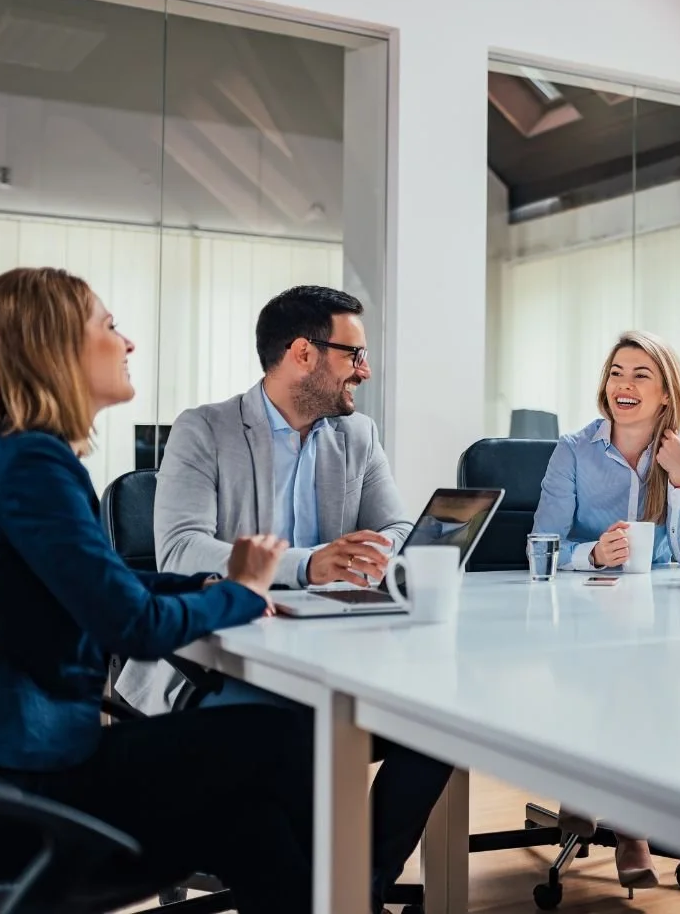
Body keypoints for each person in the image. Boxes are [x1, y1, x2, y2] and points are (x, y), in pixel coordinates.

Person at [0, 267, 312, 914]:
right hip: (29, 789)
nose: (127, 343)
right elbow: (133, 627)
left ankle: (346, 895)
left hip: (14, 773)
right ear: (53, 346)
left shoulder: (5, 458)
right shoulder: (33, 465)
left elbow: (99, 578)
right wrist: (240, 592)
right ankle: (359, 886)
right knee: (283, 739)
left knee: (250, 819)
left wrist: (204, 583)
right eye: (109, 325)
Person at [116, 284, 453, 914]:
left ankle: (360, 890)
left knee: (438, 723)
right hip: (217, 664)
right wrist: (307, 564)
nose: (366, 370)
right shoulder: (205, 430)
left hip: (333, 650)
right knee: (288, 729)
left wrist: (374, 551)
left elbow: (399, 527)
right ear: (304, 353)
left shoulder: (356, 435)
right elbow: (181, 552)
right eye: (354, 355)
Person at [533, 330, 680, 890]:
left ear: (665, 394)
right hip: (586, 604)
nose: (624, 386)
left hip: (660, 606)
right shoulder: (575, 449)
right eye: (616, 373)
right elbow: (543, 543)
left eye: (640, 375)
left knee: (663, 669)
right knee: (630, 673)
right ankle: (631, 825)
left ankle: (588, 790)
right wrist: (592, 553)